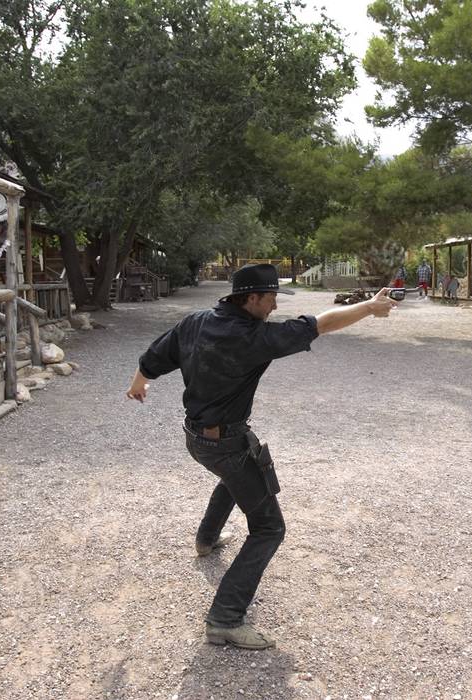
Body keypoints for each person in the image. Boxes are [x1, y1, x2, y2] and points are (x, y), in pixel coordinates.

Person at [125, 264, 398, 648]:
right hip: (224, 443)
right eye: (270, 299)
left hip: (197, 438)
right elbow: (319, 324)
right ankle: (224, 619)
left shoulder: (196, 321)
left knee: (239, 472)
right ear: (251, 298)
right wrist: (369, 308)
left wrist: (139, 382)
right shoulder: (255, 338)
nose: (273, 307)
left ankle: (206, 538)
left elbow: (156, 356)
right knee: (269, 528)